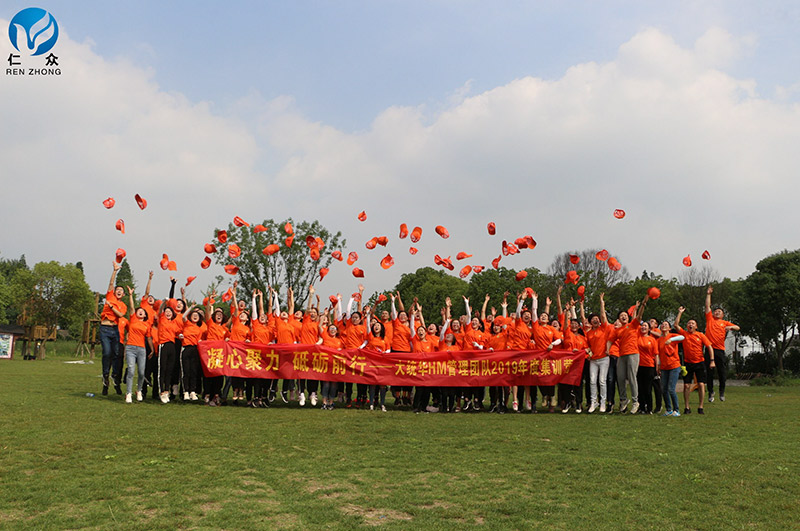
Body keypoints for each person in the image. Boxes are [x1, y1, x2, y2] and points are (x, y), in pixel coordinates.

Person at [607, 295, 647, 414]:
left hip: (633, 354)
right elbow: (610, 340)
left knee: (632, 377)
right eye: (621, 316)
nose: (623, 316)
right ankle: (623, 400)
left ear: (627, 317)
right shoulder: (617, 330)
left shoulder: (633, 325)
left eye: (625, 315)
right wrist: (607, 350)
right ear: (619, 319)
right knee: (620, 378)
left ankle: (635, 402)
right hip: (622, 355)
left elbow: (639, 316)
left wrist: (643, 305)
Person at [675, 306, 714, 415]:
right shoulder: (684, 334)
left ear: (696, 326)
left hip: (699, 362)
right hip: (688, 363)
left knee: (701, 384)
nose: (690, 325)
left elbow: (709, 347)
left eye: (692, 323)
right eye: (689, 323)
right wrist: (680, 313)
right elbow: (676, 325)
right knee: (686, 385)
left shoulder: (700, 335)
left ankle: (700, 406)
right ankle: (687, 407)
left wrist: (712, 360)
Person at [704, 286, 739, 402]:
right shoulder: (710, 319)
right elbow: (707, 306)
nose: (717, 312)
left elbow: (738, 327)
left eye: (719, 311)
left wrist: (730, 327)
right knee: (709, 373)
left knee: (722, 373)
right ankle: (710, 392)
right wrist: (708, 294)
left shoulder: (724, 322)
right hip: (709, 349)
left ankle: (722, 391)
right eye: (716, 311)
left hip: (719, 350)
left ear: (723, 315)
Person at [581, 293, 612, 413]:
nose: (595, 320)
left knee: (602, 381)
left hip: (604, 358)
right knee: (592, 381)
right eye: (593, 319)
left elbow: (603, 316)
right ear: (590, 322)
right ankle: (593, 403)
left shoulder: (603, 328)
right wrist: (589, 354)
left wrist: (601, 303)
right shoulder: (588, 333)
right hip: (593, 360)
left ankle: (603, 403)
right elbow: (586, 346)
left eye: (597, 318)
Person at [100, 261, 127, 395]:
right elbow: (111, 284)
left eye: (121, 291)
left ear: (123, 295)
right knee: (107, 353)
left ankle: (115, 376)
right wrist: (115, 271)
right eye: (117, 290)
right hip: (105, 329)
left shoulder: (123, 306)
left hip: (115, 330)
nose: (119, 291)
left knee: (117, 354)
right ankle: (105, 375)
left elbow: (120, 315)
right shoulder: (110, 296)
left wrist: (111, 307)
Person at [122, 286, 154, 403]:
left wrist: (152, 350)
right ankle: (128, 393)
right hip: (130, 348)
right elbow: (131, 307)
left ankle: (139, 390)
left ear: (145, 315)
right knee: (131, 370)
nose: (140, 312)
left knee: (141, 372)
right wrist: (130, 295)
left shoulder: (147, 325)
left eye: (142, 311)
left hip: (141, 349)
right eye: (139, 311)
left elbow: (149, 338)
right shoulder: (133, 319)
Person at [657, 321, 684, 417]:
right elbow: (658, 354)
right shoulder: (659, 340)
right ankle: (669, 409)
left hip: (674, 366)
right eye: (662, 325)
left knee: (671, 389)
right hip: (664, 367)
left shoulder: (672, 336)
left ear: (669, 328)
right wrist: (658, 366)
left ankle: (677, 410)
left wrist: (671, 340)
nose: (663, 326)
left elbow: (682, 337)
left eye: (666, 325)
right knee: (664, 389)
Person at [179, 307, 207, 403]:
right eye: (193, 315)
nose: (195, 317)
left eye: (197, 315)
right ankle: (186, 391)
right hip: (186, 348)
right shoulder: (187, 324)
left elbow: (199, 340)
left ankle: (192, 391)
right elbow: (183, 316)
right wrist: (191, 307)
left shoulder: (199, 329)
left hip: (195, 349)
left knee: (194, 371)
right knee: (186, 371)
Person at [319, 305, 344, 410]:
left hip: (335, 365)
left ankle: (331, 402)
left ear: (337, 331)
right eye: (331, 328)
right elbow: (319, 326)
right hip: (326, 364)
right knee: (325, 384)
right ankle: (324, 402)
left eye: (334, 329)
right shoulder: (325, 336)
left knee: (334, 384)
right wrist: (324, 315)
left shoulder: (340, 341)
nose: (332, 330)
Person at [636, 320, 659, 414]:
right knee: (640, 388)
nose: (643, 327)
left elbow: (656, 354)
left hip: (649, 365)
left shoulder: (652, 340)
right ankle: (642, 407)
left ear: (649, 329)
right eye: (642, 325)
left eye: (645, 326)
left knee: (648, 388)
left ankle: (649, 408)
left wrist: (657, 367)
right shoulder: (637, 338)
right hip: (638, 365)